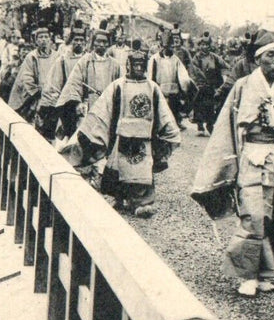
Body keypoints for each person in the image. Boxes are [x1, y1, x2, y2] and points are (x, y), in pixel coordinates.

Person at [191, 31, 274, 296]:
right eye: (271, 55)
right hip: (254, 155)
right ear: (258, 60)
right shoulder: (243, 86)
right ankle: (246, 275)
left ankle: (267, 273)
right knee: (254, 215)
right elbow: (228, 128)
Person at [66, 39, 181, 217]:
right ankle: (120, 199)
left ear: (145, 66)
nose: (137, 67)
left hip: (145, 137)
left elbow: (163, 113)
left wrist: (169, 131)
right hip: (121, 136)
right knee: (119, 169)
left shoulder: (152, 87)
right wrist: (92, 131)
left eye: (141, 64)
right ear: (128, 65)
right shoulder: (118, 85)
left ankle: (142, 203)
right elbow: (103, 110)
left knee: (142, 171)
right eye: (134, 64)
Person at [55, 28, 123, 138]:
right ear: (93, 42)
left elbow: (119, 87)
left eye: (104, 42)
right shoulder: (85, 61)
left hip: (107, 106)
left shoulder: (115, 65)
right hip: (88, 105)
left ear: (108, 44)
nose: (101, 44)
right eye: (98, 41)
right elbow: (74, 82)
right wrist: (78, 103)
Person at [36, 22, 89, 140]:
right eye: (76, 40)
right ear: (71, 41)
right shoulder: (63, 60)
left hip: (86, 101)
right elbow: (55, 82)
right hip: (68, 102)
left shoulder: (89, 59)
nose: (79, 43)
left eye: (81, 40)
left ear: (85, 42)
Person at [149, 26, 195, 129]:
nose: (168, 49)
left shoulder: (175, 59)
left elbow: (183, 77)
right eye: (165, 47)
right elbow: (151, 76)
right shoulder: (155, 59)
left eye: (170, 46)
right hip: (159, 91)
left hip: (174, 92)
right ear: (161, 46)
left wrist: (185, 87)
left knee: (173, 114)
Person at [8, 27, 57, 123]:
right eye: (40, 37)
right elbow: (27, 77)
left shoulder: (57, 56)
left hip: (52, 94)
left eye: (46, 37)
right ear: (36, 41)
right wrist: (38, 91)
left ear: (50, 40)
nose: (43, 39)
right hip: (36, 95)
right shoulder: (31, 57)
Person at [189, 32, 229, 136]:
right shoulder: (196, 58)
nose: (204, 47)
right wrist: (199, 82)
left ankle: (210, 124)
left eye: (206, 45)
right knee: (199, 105)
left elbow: (225, 65)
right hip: (201, 85)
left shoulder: (214, 57)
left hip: (212, 85)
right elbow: (194, 71)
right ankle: (200, 126)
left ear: (209, 46)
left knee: (211, 106)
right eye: (202, 44)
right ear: (199, 46)